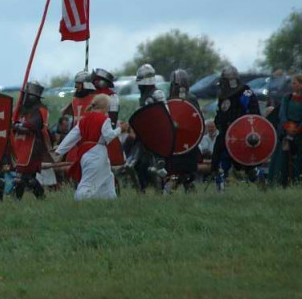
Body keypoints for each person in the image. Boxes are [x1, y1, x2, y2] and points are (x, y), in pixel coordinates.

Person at [56, 94, 120, 200]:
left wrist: (60, 150)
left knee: (108, 177)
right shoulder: (104, 119)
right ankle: (79, 201)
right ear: (105, 106)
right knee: (88, 182)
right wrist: (119, 129)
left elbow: (73, 135)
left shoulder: (84, 120)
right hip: (97, 153)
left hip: (86, 153)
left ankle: (110, 198)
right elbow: (108, 136)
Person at [211, 65, 262, 191]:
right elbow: (220, 113)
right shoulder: (223, 95)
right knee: (219, 162)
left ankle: (260, 186)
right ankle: (220, 191)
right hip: (225, 133)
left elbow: (254, 114)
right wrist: (218, 122)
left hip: (242, 135)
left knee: (249, 165)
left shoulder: (246, 92)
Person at [127, 64, 168, 192]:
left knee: (155, 168)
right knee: (131, 166)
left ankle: (160, 192)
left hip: (156, 137)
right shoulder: (143, 96)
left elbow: (165, 115)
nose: (139, 86)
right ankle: (141, 192)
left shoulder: (158, 93)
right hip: (143, 137)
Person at [164, 69, 201, 194]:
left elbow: (196, 120)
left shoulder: (191, 99)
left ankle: (187, 190)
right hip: (176, 141)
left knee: (187, 174)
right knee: (176, 172)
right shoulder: (169, 100)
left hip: (187, 141)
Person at [12, 81, 51, 200]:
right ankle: (38, 198)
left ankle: (20, 199)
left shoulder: (40, 110)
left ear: (32, 96)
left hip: (33, 145)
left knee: (25, 176)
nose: (24, 98)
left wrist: (17, 125)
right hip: (21, 145)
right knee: (26, 176)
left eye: (26, 95)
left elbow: (34, 125)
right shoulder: (22, 109)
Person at [268, 74, 302, 186]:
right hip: (286, 131)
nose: (293, 85)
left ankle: (297, 182)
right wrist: (287, 126)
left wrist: (298, 128)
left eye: (295, 83)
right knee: (282, 157)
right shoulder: (287, 98)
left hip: (300, 133)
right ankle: (279, 182)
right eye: (292, 83)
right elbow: (282, 114)